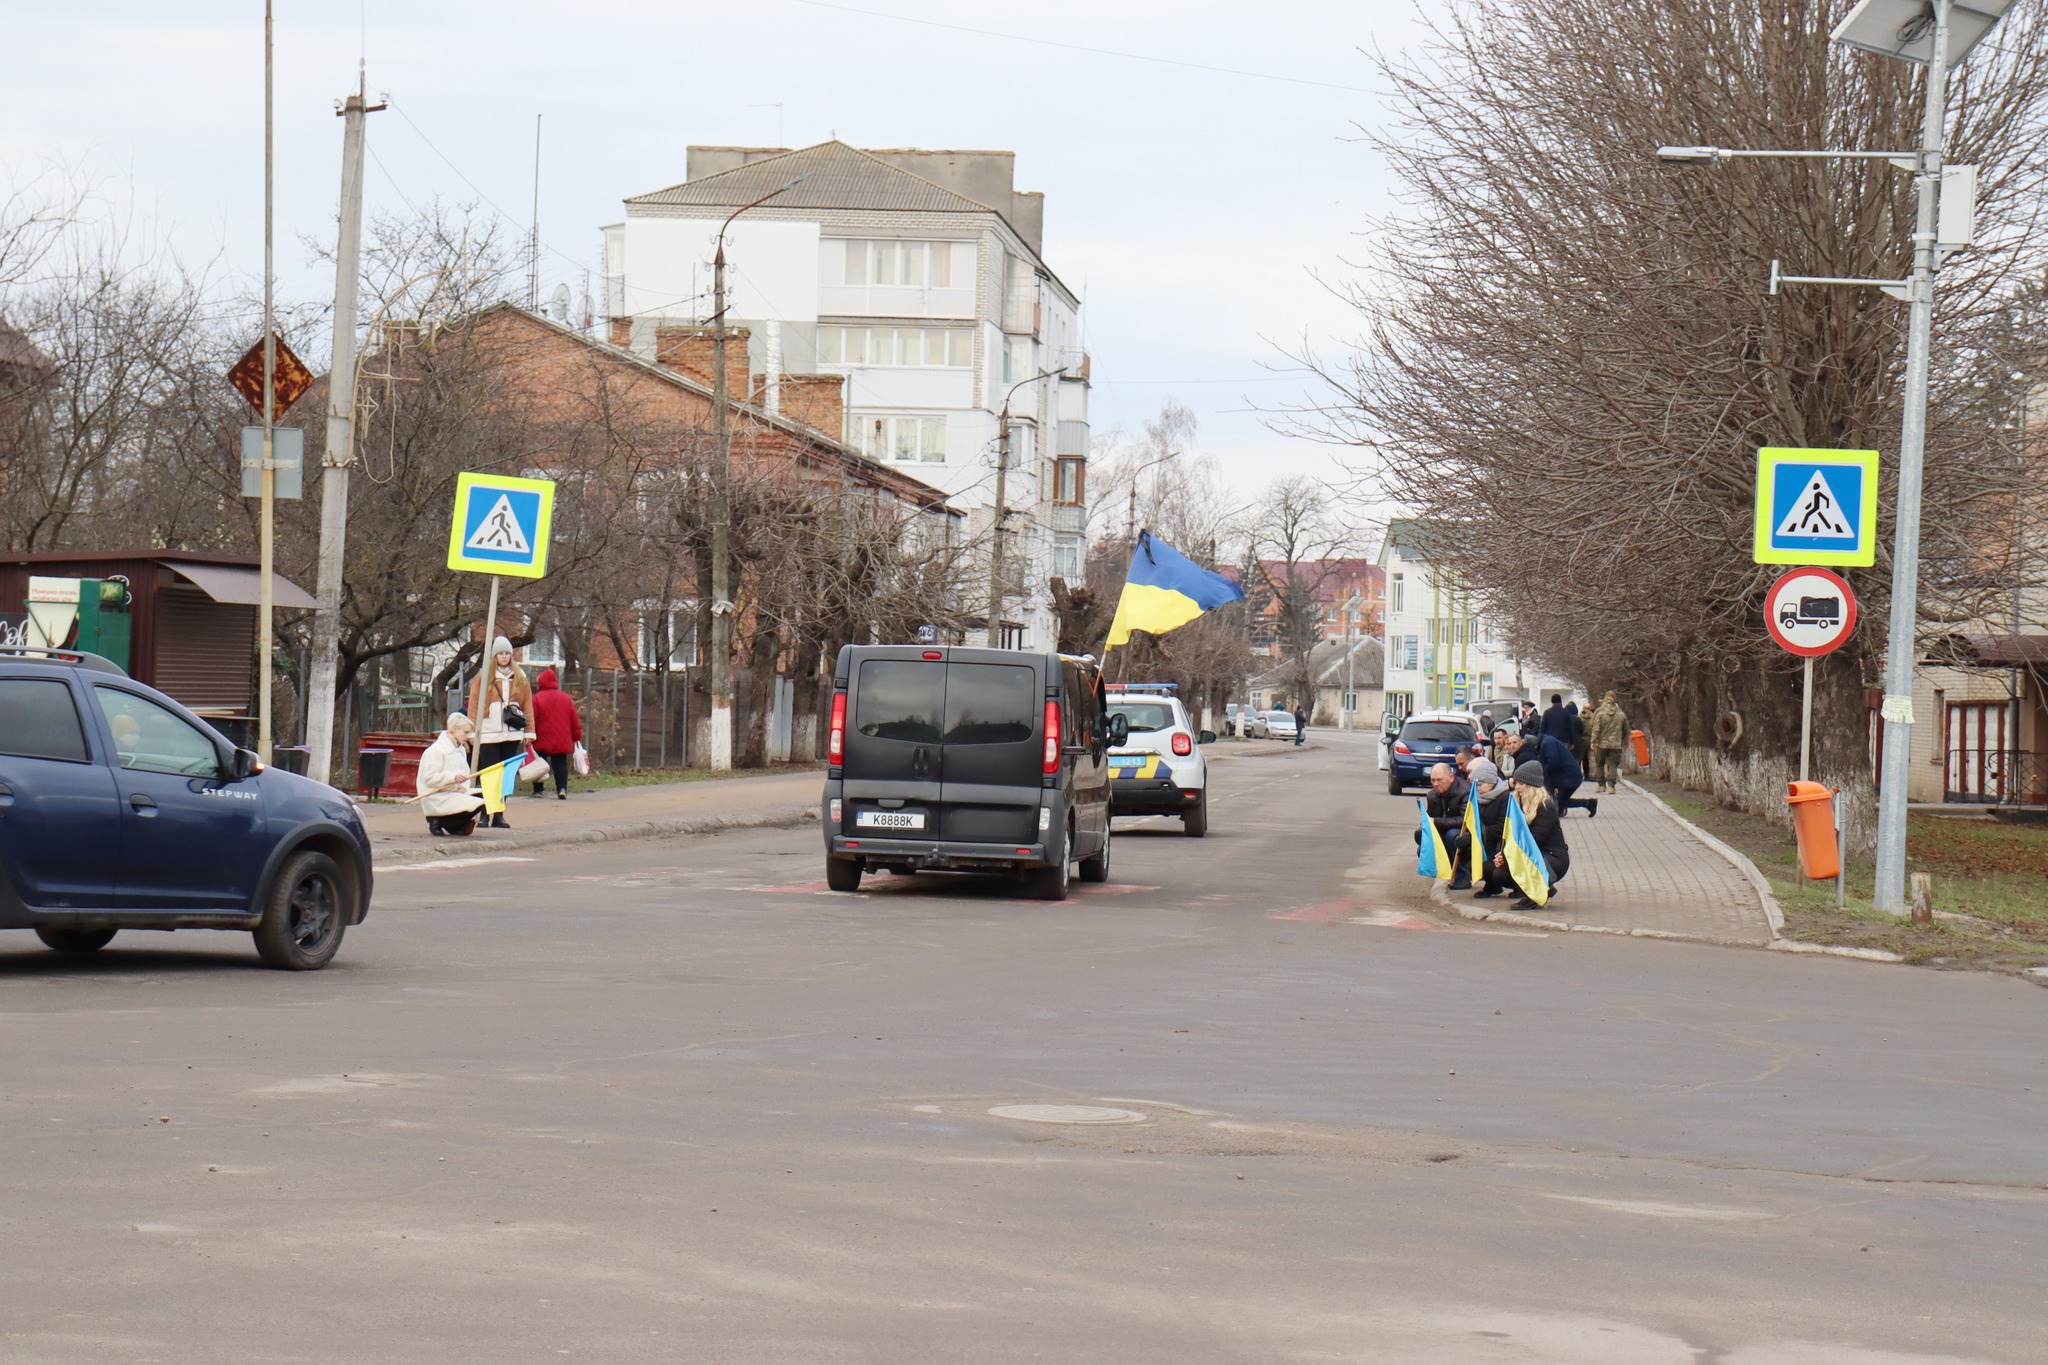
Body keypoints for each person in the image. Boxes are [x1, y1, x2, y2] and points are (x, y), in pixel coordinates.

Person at [469, 635, 533, 829]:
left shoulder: (519, 676)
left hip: (512, 733)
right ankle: (484, 814)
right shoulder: (484, 677)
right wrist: (471, 731)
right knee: (489, 774)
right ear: (494, 655)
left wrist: (529, 732)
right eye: (501, 653)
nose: (504, 657)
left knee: (505, 776)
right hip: (489, 733)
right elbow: (473, 705)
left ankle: (499, 815)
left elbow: (527, 704)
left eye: (507, 653)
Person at [1493, 760, 1570, 909]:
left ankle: (1535, 895)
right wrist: (1502, 854)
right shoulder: (1517, 804)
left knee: (1522, 860)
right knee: (1499, 874)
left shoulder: (1546, 806)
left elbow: (1534, 840)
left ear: (1531, 785)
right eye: (1516, 783)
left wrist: (1509, 855)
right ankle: (1536, 889)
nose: (1517, 787)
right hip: (1533, 853)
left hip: (1553, 858)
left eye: (1521, 783)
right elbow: (1512, 835)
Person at [417, 712, 483, 837]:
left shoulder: (460, 749)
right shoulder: (435, 750)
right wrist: (452, 777)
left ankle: (455, 824)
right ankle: (437, 819)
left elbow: (465, 773)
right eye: (466, 732)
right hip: (436, 795)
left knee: (484, 796)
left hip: (454, 791)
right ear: (454, 730)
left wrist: (463, 787)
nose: (468, 736)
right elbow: (430, 778)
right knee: (478, 800)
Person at [1503, 727, 1593, 818]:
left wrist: (1542, 773)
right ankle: (1588, 803)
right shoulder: (1545, 742)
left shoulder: (1547, 743)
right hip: (1567, 775)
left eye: (1514, 743)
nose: (1511, 745)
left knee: (1556, 802)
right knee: (1558, 801)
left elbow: (1553, 762)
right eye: (1510, 743)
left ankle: (1585, 804)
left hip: (1569, 776)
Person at [1412, 761, 1472, 889]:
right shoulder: (1432, 795)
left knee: (1452, 836)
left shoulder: (1465, 791)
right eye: (1432, 780)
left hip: (1466, 833)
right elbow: (1431, 819)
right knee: (1421, 836)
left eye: (1439, 780)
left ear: (1451, 777)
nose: (1435, 784)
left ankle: (1463, 875)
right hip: (1444, 830)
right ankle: (1442, 870)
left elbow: (1464, 820)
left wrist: (1437, 822)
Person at [529, 667, 584, 800]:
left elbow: (533, 719)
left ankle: (538, 789)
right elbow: (574, 720)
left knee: (538, 762)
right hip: (561, 739)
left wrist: (529, 735)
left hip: (541, 738)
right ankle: (562, 789)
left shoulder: (536, 699)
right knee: (560, 764)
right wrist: (577, 736)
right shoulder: (566, 698)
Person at [1466, 758, 1515, 899]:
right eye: (1476, 785)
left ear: (1492, 783)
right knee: (1468, 855)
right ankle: (1491, 885)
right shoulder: (1480, 799)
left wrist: (1479, 835)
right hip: (1487, 843)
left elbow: (1502, 826)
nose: (1477, 789)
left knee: (1491, 869)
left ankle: (1518, 887)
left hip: (1502, 845)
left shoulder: (1505, 797)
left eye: (1480, 785)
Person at [1585, 690, 1630, 794]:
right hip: (1615, 744)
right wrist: (1623, 740)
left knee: (1600, 764)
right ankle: (1611, 786)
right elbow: (1626, 730)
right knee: (1613, 765)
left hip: (1602, 744)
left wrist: (1593, 741)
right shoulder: (1621, 714)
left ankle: (1601, 785)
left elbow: (1595, 728)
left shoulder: (1600, 713)